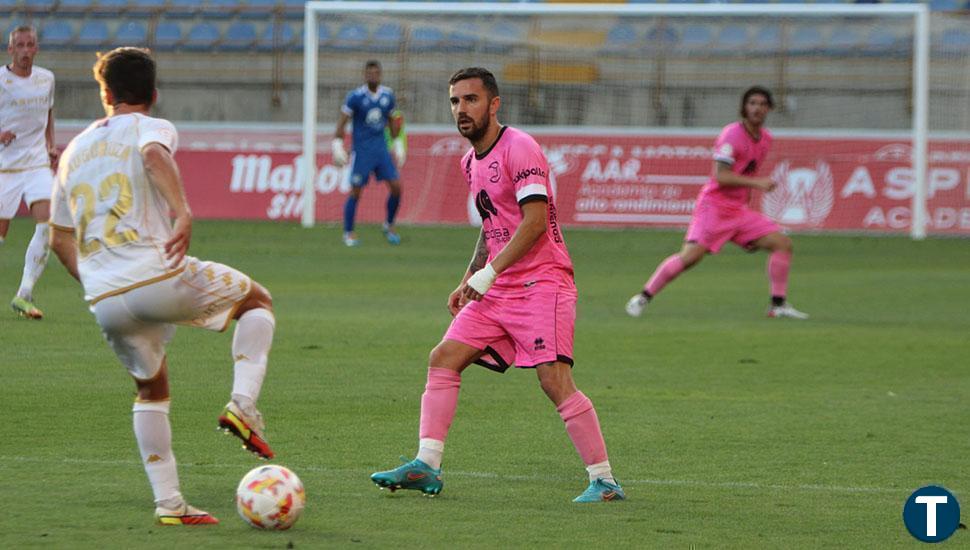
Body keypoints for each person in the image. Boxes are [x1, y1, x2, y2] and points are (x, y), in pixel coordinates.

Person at [370, 67, 624, 503]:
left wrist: (488, 275)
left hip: (543, 282)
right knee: (444, 358)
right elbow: (493, 224)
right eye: (454, 101)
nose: (461, 109)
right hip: (500, 286)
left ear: (494, 104)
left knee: (554, 380)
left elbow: (536, 223)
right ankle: (426, 465)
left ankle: (604, 481)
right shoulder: (470, 159)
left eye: (470, 100)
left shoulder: (520, 147)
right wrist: (470, 275)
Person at [49, 48, 277, 525]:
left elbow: (59, 238)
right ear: (153, 94)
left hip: (105, 298)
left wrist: (95, 280)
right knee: (256, 300)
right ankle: (243, 405)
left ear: (105, 93)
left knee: (151, 390)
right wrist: (183, 210)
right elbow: (153, 157)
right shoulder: (151, 127)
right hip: (155, 274)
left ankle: (170, 504)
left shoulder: (72, 152)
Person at [625, 86, 809, 320]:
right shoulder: (732, 135)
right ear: (744, 107)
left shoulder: (766, 139)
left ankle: (777, 305)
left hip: (739, 212)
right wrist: (758, 184)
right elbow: (721, 176)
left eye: (762, 104)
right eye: (752, 103)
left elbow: (746, 171)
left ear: (769, 109)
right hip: (714, 208)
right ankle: (643, 297)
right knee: (690, 257)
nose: (757, 108)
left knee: (782, 243)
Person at [1, 25, 58, 319]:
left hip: (36, 164)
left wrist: (50, 144)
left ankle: (24, 293)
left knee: (46, 225)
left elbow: (48, 113)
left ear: (36, 48)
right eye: (19, 45)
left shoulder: (46, 79)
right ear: (10, 49)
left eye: (30, 44)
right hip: (5, 167)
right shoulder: (0, 80)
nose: (25, 50)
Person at [331, 60, 405, 247]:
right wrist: (337, 144)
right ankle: (348, 233)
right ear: (365, 75)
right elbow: (342, 122)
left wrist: (398, 143)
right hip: (362, 152)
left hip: (381, 150)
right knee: (356, 192)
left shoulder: (388, 95)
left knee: (396, 187)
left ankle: (389, 225)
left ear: (380, 75)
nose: (373, 76)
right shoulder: (355, 97)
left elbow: (392, 122)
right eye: (370, 73)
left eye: (376, 73)